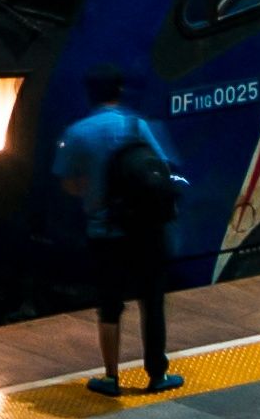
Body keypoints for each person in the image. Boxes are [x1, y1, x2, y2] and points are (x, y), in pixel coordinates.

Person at [52, 64, 185, 396]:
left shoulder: (78, 132)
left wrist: (88, 188)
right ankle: (157, 375)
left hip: (105, 233)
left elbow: (67, 182)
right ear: (119, 91)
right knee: (152, 302)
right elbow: (162, 166)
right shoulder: (136, 125)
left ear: (90, 94)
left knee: (109, 306)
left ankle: (111, 378)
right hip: (147, 230)